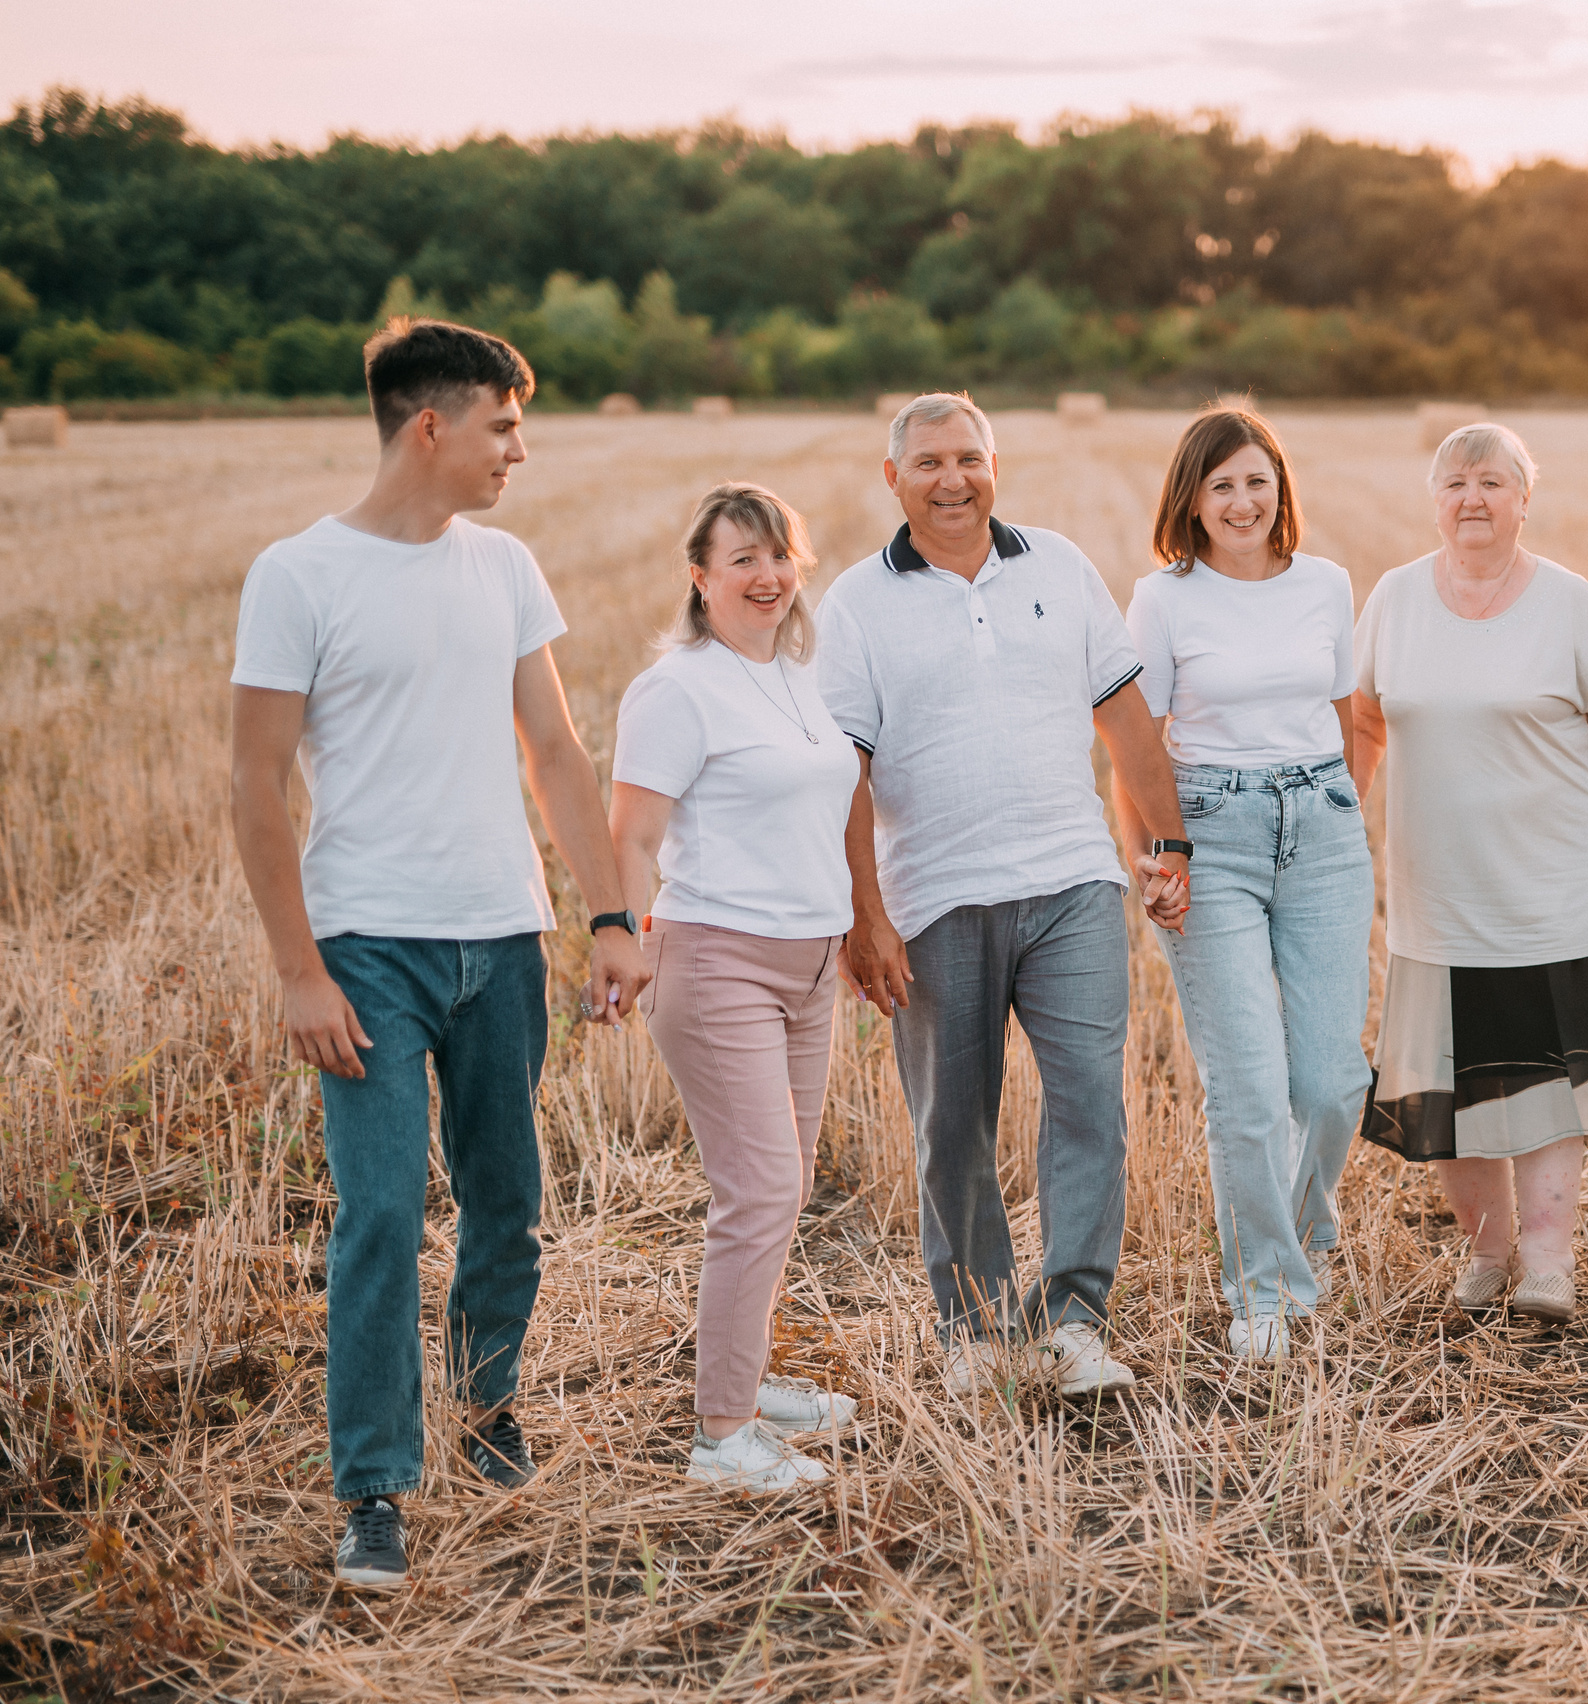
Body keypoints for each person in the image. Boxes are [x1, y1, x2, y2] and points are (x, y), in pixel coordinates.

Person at [230, 319, 647, 1589]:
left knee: (507, 1201)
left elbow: (559, 755)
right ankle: (373, 1487)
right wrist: (300, 970)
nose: (518, 447)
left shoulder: (506, 565)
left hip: (501, 941)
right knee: (381, 1216)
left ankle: (486, 1408)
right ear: (432, 425)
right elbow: (254, 787)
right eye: (503, 424)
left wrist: (613, 914)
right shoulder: (296, 576)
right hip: (366, 952)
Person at [820, 393, 1190, 1398]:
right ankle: (975, 1331)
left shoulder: (1060, 567)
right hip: (936, 898)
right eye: (929, 462)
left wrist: (1165, 846)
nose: (953, 480)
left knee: (1090, 1107)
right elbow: (842, 773)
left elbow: (1124, 720)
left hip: (1072, 880)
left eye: (970, 459)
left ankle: (1073, 1323)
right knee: (952, 1124)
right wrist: (865, 917)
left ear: (996, 465)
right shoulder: (855, 601)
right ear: (891, 477)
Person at [1351, 422, 1588, 1326]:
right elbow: (1365, 727)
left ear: (1524, 500)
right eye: (1457, 482)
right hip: (1441, 894)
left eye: (1494, 482)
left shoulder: (1568, 603)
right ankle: (1486, 1252)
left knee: (1546, 1081)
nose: (1474, 498)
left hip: (1557, 888)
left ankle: (1547, 1260)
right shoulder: (1393, 600)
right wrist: (1339, 835)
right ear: (1434, 501)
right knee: (1457, 1083)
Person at [609, 483, 865, 1489]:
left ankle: (748, 1381)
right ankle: (722, 1435)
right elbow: (630, 831)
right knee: (757, 1191)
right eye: (741, 560)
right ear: (700, 577)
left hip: (810, 965)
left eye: (778, 557)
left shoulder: (801, 675)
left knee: (782, 1190)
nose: (765, 578)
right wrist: (619, 942)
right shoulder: (677, 687)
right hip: (718, 960)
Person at [1117, 408, 1370, 1363]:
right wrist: (1149, 855)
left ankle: (1300, 1231)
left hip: (1324, 828)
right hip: (1207, 836)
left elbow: (1347, 720)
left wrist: (1341, 812)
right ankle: (1264, 1287)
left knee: (1334, 1080)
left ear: (1281, 489)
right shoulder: (1164, 598)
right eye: (1221, 484)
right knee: (1251, 1088)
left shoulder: (1327, 585)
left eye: (1257, 480)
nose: (1242, 501)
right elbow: (1134, 746)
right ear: (1192, 498)